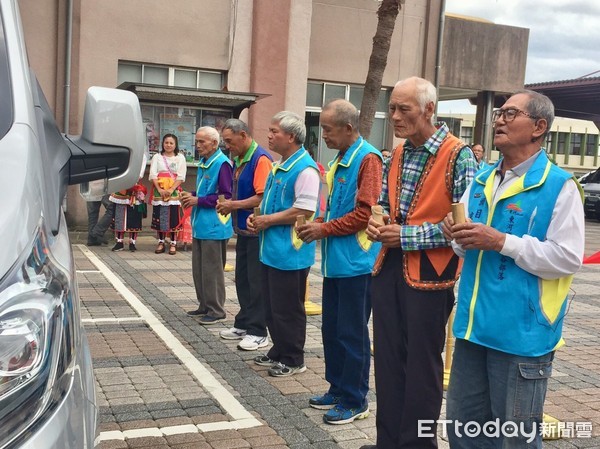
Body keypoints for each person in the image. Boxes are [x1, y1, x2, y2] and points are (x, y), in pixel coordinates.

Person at [442, 90, 584, 448]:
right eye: (499, 114)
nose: (499, 120)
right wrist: (455, 235)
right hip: (473, 330)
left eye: (510, 113)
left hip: (521, 337)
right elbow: (465, 246)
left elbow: (567, 258)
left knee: (515, 439)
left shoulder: (559, 186)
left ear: (538, 127)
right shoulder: (482, 179)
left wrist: (501, 241)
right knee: (465, 434)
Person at [364, 76, 476, 449]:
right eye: (392, 108)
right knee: (389, 361)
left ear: (429, 109)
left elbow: (465, 224)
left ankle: (417, 445)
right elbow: (383, 203)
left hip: (432, 275)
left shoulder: (458, 154)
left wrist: (406, 236)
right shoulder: (396, 153)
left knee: (423, 367)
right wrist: (376, 221)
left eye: (403, 109)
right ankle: (388, 442)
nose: (394, 116)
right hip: (388, 268)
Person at [296, 99, 382, 425]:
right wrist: (320, 224)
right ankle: (337, 387)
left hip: (357, 265)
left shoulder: (368, 159)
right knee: (332, 329)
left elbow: (364, 214)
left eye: (329, 130)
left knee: (352, 333)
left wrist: (323, 229)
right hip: (336, 263)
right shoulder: (341, 159)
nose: (324, 136)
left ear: (348, 129)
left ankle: (356, 399)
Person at [247, 111, 320, 376]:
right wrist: (258, 220)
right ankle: (278, 349)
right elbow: (270, 203)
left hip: (291, 252)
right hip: (271, 249)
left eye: (274, 131)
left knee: (288, 308)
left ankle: (293, 358)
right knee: (272, 305)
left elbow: (305, 210)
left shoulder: (306, 169)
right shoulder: (281, 164)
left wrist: (267, 220)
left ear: (291, 136)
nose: (269, 135)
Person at [216, 119, 273, 350]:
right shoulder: (239, 158)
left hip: (255, 231)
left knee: (256, 283)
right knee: (243, 280)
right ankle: (244, 322)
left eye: (229, 141)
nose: (228, 146)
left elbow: (262, 196)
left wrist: (234, 205)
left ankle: (259, 331)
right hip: (242, 231)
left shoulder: (260, 159)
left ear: (243, 135)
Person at [181, 126, 234, 325]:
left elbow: (225, 196)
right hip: (201, 224)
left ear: (214, 143)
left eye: (202, 142)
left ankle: (216, 309)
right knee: (199, 269)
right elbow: (205, 192)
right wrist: (192, 196)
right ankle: (204, 305)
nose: (198, 145)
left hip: (214, 225)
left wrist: (198, 201)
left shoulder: (222, 164)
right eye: (197, 141)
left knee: (212, 270)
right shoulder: (204, 162)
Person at [149, 133, 187, 255]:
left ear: (175, 145)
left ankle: (173, 243)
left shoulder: (180, 158)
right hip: (159, 190)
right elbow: (153, 174)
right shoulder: (157, 157)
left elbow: (181, 176)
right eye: (166, 142)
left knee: (174, 217)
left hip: (174, 190)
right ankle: (161, 241)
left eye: (171, 143)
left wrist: (171, 189)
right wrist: (159, 189)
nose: (168, 145)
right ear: (163, 144)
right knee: (160, 216)